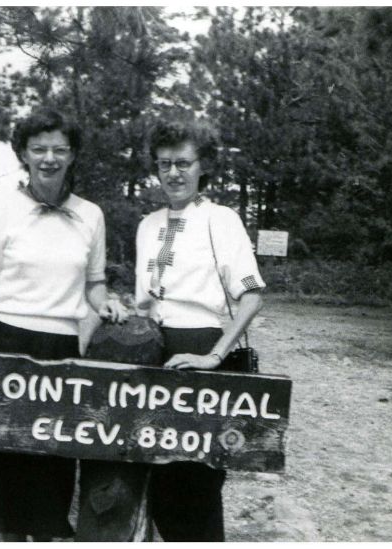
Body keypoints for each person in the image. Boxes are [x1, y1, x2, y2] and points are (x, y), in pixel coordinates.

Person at [0, 107, 127, 542]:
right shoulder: (2, 208)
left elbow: (94, 285)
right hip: (5, 342)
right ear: (23, 154)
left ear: (72, 155)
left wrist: (107, 304)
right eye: (39, 149)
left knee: (49, 465)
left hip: (60, 351)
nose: (49, 158)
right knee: (4, 467)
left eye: (59, 150)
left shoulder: (91, 215)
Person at [134, 116, 265, 541]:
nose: (173, 173)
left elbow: (252, 295)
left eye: (183, 163)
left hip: (200, 351)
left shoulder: (220, 219)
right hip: (152, 354)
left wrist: (214, 356)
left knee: (197, 484)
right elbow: (144, 302)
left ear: (202, 165)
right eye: (164, 164)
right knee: (153, 479)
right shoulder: (147, 225)